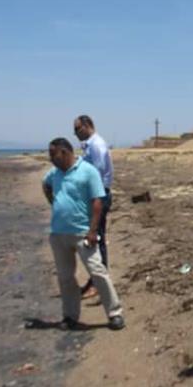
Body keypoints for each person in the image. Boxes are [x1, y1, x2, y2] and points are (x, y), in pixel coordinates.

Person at [42, 138, 125, 331]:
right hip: (58, 233)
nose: (50, 158)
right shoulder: (53, 174)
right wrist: (53, 202)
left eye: (53, 153)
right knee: (65, 278)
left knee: (98, 272)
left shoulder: (88, 171)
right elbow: (45, 185)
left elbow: (97, 201)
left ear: (64, 152)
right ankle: (70, 316)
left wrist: (93, 230)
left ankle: (115, 313)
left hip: (82, 232)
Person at [73, 115, 114, 298]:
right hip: (95, 195)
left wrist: (92, 199)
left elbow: (96, 175)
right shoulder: (89, 145)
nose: (76, 134)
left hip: (98, 197)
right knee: (95, 238)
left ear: (88, 125)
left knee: (96, 238)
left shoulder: (96, 145)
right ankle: (96, 280)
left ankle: (99, 283)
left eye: (78, 129)